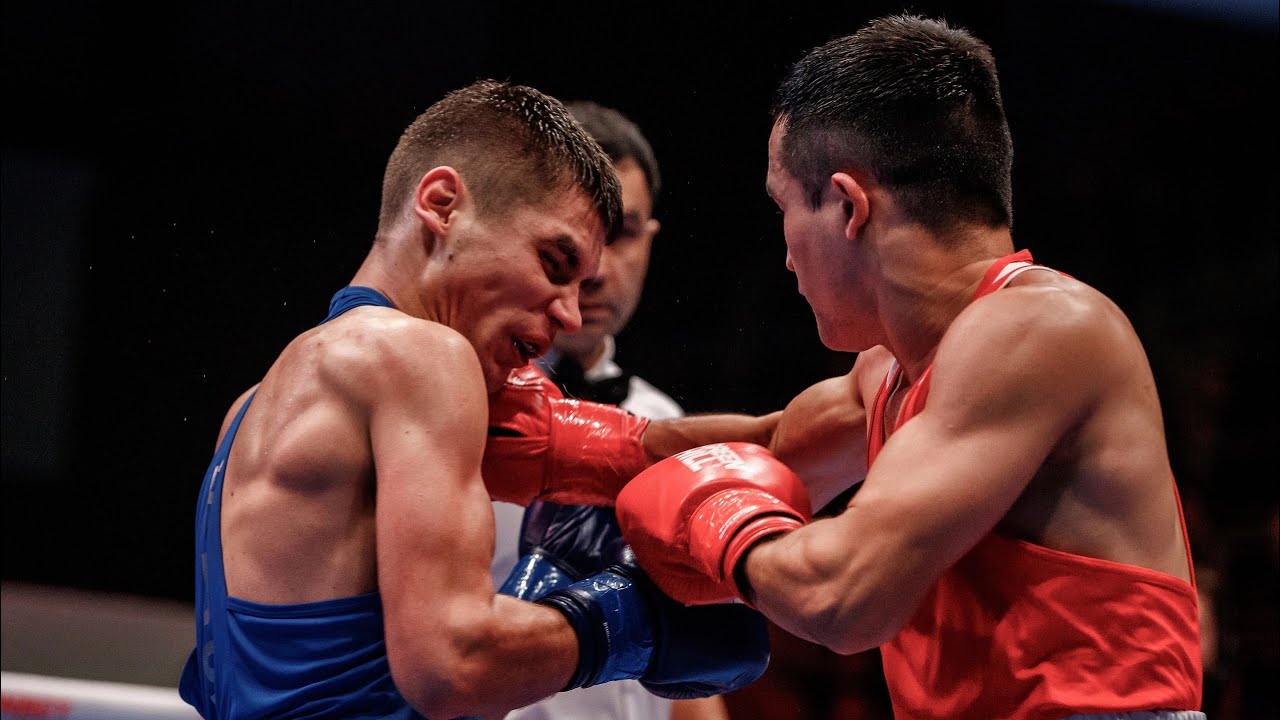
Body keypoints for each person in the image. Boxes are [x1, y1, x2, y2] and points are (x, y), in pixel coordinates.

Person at [614, 14, 1205, 720]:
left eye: (783, 207)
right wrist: (564, 445)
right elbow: (764, 451)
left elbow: (843, 594)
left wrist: (721, 530)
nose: (787, 256)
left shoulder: (1042, 330)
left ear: (847, 205)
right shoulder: (889, 372)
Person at [177, 78, 769, 720]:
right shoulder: (425, 356)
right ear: (441, 204)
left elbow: (325, 684)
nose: (571, 314)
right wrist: (636, 624)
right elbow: (450, 666)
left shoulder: (253, 407)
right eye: (553, 263)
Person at [488, 99, 729, 720]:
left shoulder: (665, 419)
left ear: (649, 239)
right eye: (572, 238)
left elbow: (683, 663)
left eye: (620, 233)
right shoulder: (455, 402)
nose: (593, 269)